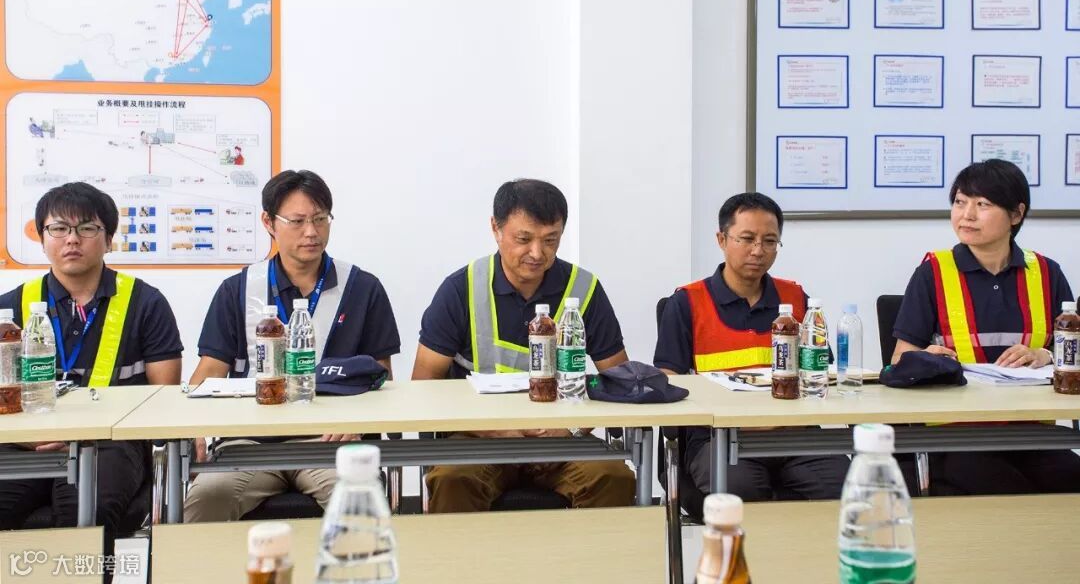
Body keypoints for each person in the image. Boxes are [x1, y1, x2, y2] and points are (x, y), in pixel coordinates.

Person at [183, 169, 401, 521]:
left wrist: (359, 422)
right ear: (269, 222)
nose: (311, 232)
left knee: (359, 506)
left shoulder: (362, 288)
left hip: (331, 441)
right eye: (297, 221)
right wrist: (193, 427)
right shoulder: (237, 290)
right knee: (207, 500)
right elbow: (209, 371)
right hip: (248, 441)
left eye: (320, 219)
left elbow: (383, 376)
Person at [413, 178, 636, 512]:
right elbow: (423, 386)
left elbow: (619, 380)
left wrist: (572, 427)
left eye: (550, 240)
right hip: (480, 438)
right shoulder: (462, 289)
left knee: (612, 476)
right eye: (524, 239)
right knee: (452, 478)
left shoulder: (583, 288)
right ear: (496, 228)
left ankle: (590, 550)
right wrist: (491, 430)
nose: (537, 253)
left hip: (561, 438)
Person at [0, 182, 183, 556]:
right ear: (42, 238)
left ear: (109, 239)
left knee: (84, 514)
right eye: (58, 228)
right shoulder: (11, 309)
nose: (72, 239)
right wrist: (26, 438)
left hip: (112, 445)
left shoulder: (146, 303)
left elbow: (164, 399)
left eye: (86, 228)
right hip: (25, 443)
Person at [892, 159, 1080, 494]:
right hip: (956, 432)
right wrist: (927, 359)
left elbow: (1073, 353)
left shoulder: (1047, 272)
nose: (966, 215)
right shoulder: (933, 272)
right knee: (1000, 485)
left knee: (1068, 478)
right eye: (960, 202)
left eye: (983, 204)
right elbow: (898, 361)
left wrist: (1046, 355)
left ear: (1016, 214)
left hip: (1030, 429)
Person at [654, 192, 848, 501]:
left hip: (795, 434)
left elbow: (823, 370)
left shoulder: (796, 300)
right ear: (722, 239)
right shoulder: (687, 303)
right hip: (719, 438)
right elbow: (668, 379)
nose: (758, 250)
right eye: (747, 239)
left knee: (844, 486)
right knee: (741, 492)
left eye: (770, 241)